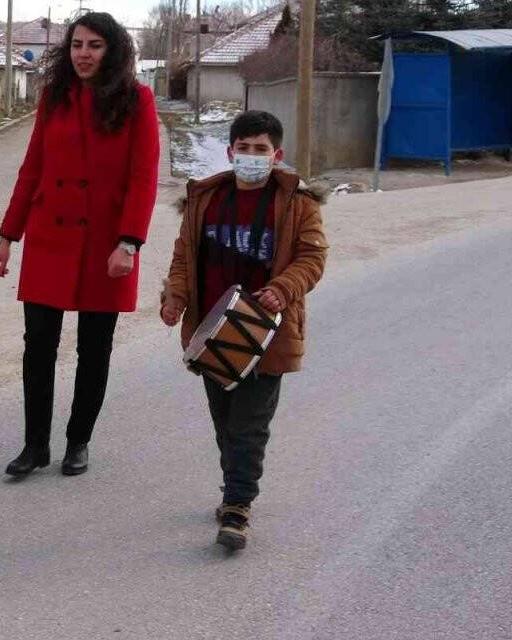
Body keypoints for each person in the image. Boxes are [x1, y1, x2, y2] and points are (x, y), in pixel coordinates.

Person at [0, 12, 159, 478]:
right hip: (51, 238)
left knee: (94, 348)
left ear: (115, 51)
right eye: (77, 45)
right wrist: (9, 236)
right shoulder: (54, 98)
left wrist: (129, 242)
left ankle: (78, 441)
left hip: (106, 243)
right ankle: (34, 445)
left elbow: (144, 178)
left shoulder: (137, 100)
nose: (83, 54)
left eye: (95, 45)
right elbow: (32, 168)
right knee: (38, 345)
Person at [159, 111, 329, 550]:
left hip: (266, 331)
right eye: (244, 149)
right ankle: (234, 487)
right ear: (230, 151)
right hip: (214, 330)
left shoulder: (298, 204)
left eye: (261, 150)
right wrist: (175, 297)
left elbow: (312, 260)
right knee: (225, 421)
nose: (252, 157)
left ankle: (237, 506)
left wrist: (283, 288)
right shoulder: (205, 199)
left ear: (277, 155)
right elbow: (183, 257)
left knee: (249, 425)